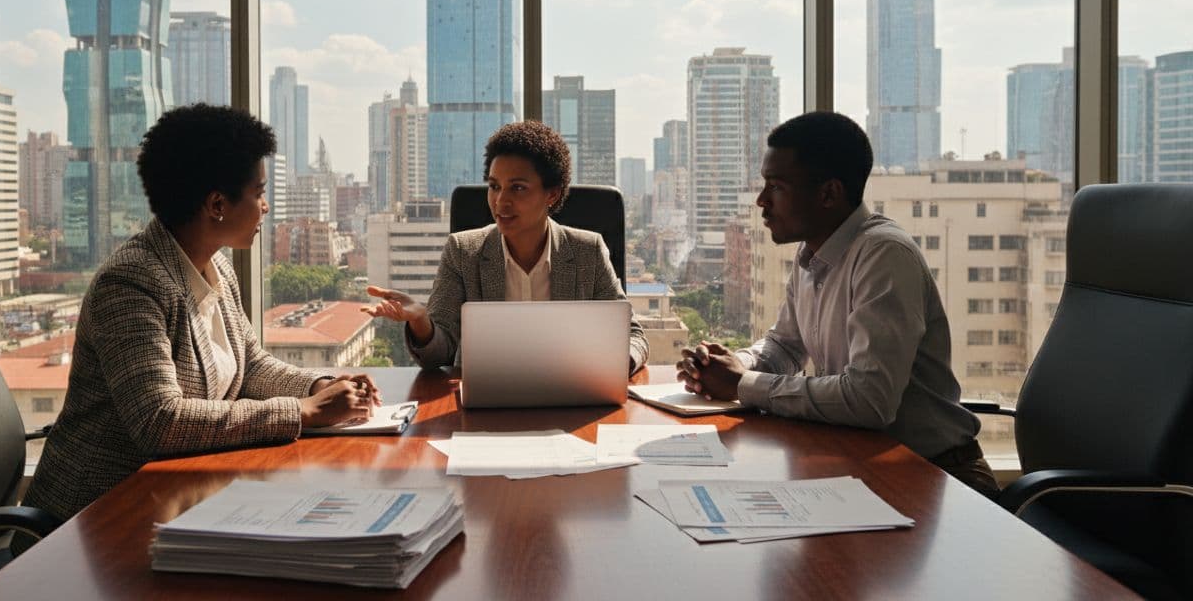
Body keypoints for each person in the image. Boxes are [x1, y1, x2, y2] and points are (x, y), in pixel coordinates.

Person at [23, 104, 382, 523]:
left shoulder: (215, 266)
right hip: (97, 518)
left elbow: (251, 367)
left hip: (178, 498)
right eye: (259, 193)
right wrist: (305, 411)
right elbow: (160, 419)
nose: (265, 208)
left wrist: (321, 384)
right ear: (216, 204)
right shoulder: (131, 283)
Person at [676, 112, 998, 498]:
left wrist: (743, 384)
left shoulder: (883, 256)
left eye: (775, 186)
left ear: (828, 194)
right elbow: (784, 346)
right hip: (863, 461)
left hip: (937, 474)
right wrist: (734, 364)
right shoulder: (811, 252)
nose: (761, 201)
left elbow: (868, 400)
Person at [363, 120, 648, 374]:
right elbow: (439, 355)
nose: (500, 202)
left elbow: (633, 336)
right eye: (495, 186)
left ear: (552, 194)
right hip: (486, 406)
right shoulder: (463, 251)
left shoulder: (588, 251)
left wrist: (620, 363)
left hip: (572, 401)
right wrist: (421, 321)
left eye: (518, 188)